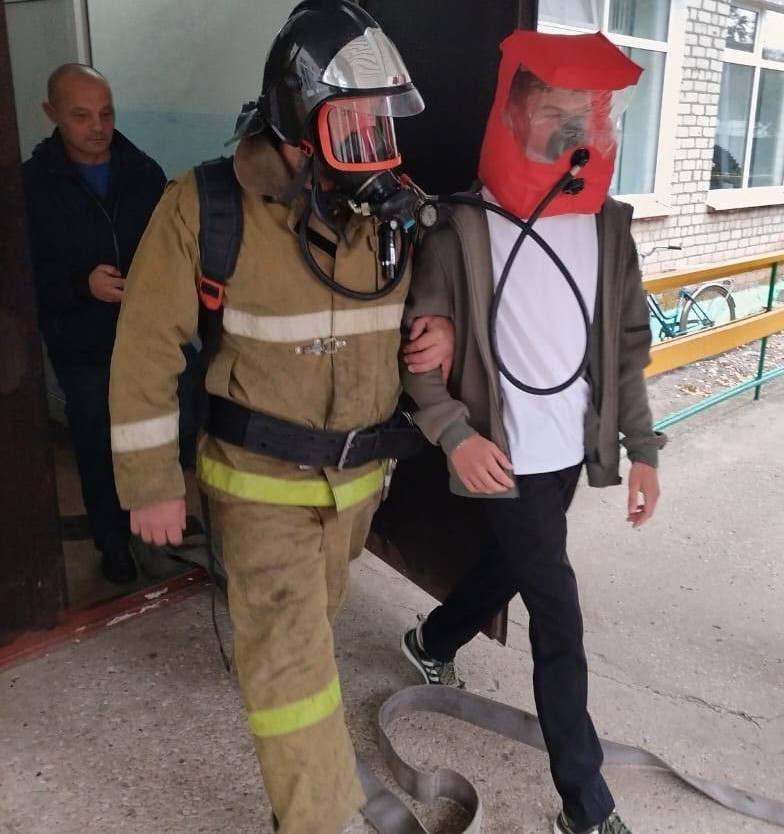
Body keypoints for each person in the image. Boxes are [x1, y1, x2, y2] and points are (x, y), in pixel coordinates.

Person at [108, 3, 452, 833]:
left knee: (309, 646)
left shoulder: (385, 220)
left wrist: (441, 329)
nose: (375, 140)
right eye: (355, 122)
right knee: (290, 672)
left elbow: (413, 313)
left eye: (380, 121)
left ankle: (311, 792)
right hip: (258, 487)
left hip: (356, 492)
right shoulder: (205, 206)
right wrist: (150, 482)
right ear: (301, 117)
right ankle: (319, 820)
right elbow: (147, 346)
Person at [399, 31, 666, 834]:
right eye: (557, 112)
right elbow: (419, 358)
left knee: (515, 563)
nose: (579, 129)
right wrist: (455, 434)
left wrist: (643, 448)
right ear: (514, 114)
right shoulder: (459, 227)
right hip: (500, 453)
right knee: (558, 612)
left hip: (568, 451)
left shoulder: (609, 226)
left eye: (592, 114)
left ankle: (432, 640)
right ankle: (585, 803)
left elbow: (626, 345)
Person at [20, 63, 183, 584]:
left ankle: (159, 534)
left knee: (162, 432)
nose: (98, 126)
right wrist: (80, 285)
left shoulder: (144, 173)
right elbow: (23, 278)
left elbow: (174, 252)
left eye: (106, 113)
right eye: (81, 115)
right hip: (82, 344)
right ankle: (112, 543)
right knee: (95, 442)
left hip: (148, 339)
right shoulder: (31, 185)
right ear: (51, 114)